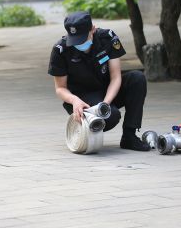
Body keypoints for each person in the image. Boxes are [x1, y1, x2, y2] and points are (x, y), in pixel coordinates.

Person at [48, 11, 150, 151]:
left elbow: (116, 77)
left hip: (108, 90)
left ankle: (129, 136)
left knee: (137, 78)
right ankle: (86, 126)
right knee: (111, 117)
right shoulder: (60, 50)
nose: (79, 43)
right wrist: (74, 101)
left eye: (82, 38)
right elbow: (60, 88)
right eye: (75, 39)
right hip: (82, 98)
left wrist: (105, 105)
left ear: (93, 29)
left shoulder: (107, 38)